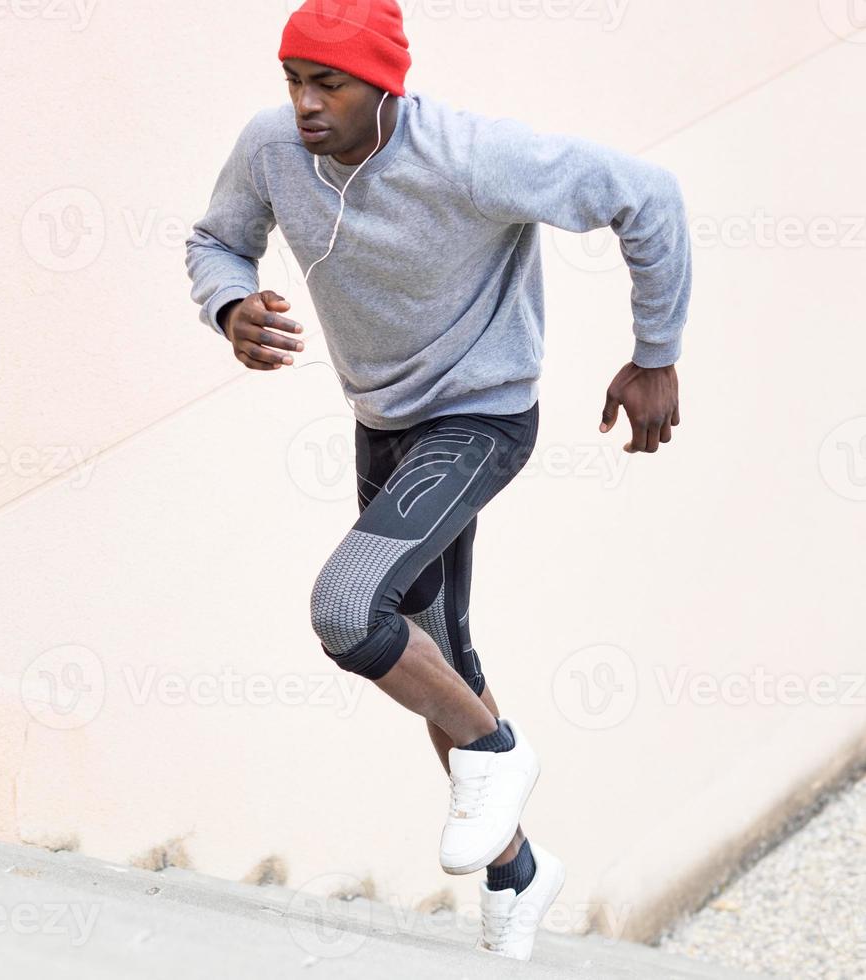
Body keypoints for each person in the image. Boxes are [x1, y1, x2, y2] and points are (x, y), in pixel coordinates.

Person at [182, 0, 691, 962]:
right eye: (292, 79)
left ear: (384, 83)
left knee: (346, 608)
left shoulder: (469, 154)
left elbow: (647, 193)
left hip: (480, 416)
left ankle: (499, 753)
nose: (303, 103)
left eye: (327, 82)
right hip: (383, 426)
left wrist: (653, 354)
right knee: (431, 654)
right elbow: (215, 240)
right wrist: (229, 306)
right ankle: (515, 873)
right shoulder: (269, 148)